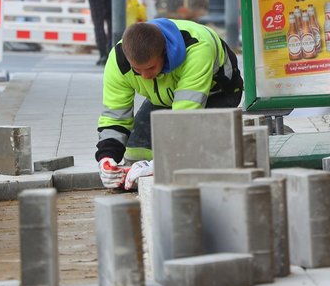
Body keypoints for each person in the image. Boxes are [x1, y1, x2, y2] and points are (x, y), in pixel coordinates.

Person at [96, 18, 244, 190]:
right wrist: (106, 157)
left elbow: (184, 118)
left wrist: (162, 164)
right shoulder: (118, 61)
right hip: (167, 98)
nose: (145, 76)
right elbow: (115, 117)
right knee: (136, 154)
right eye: (137, 70)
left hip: (218, 93)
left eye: (150, 68)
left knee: (199, 156)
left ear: (164, 52)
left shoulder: (197, 49)